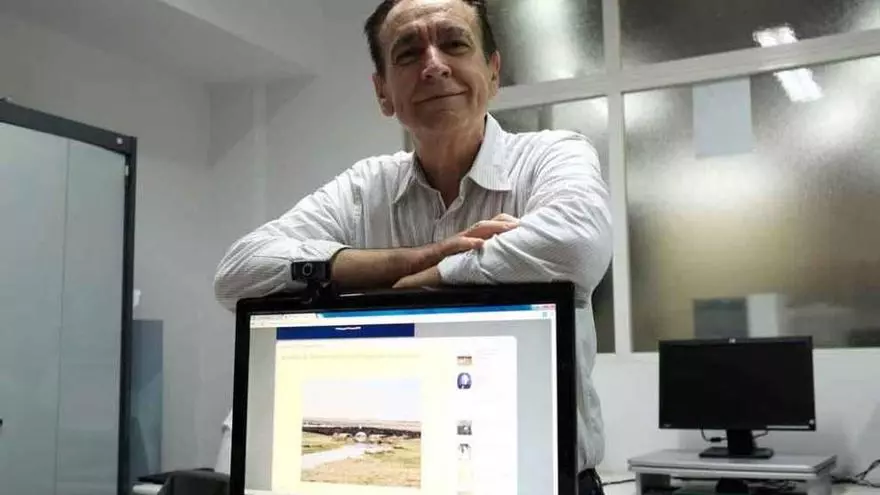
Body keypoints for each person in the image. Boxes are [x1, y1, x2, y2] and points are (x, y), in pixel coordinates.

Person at [213, 1, 612, 493]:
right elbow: (237, 274)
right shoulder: (364, 190)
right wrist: (409, 260)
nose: (434, 65)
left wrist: (436, 277)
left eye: (454, 43)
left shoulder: (552, 156)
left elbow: (577, 245)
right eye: (407, 54)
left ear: (493, 72)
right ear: (383, 93)